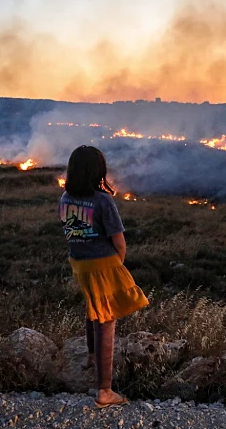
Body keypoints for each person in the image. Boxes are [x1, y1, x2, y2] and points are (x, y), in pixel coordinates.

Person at [58, 145, 149, 408]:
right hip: (103, 264)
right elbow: (119, 242)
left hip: (79, 263)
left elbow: (71, 232)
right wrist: (117, 266)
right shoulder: (102, 201)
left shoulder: (65, 197)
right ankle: (105, 391)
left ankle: (90, 355)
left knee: (93, 306)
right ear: (98, 171)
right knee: (107, 320)